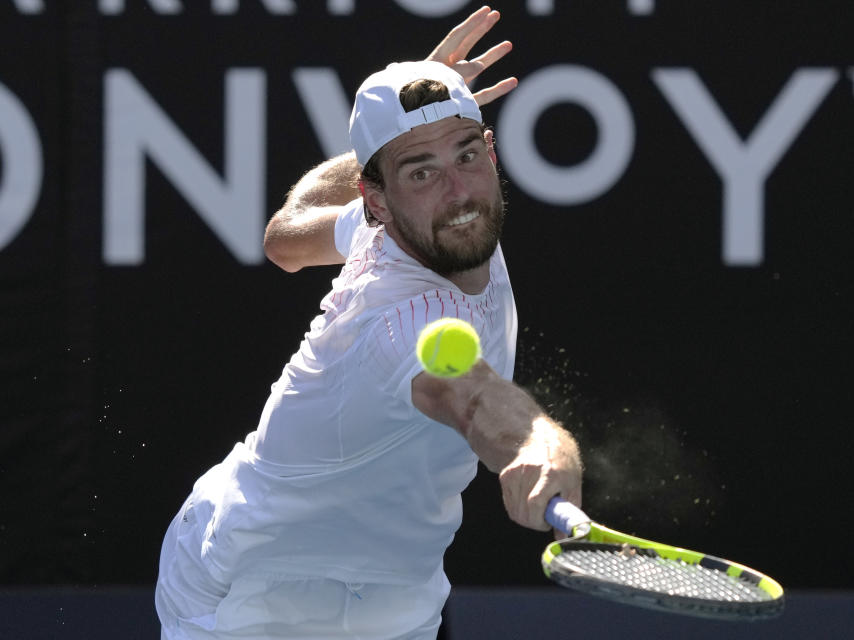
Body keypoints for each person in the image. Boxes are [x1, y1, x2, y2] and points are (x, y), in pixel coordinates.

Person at [155, 7, 582, 639]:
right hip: (254, 598)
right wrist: (542, 447)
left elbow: (283, 239)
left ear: (490, 151)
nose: (458, 191)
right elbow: (477, 401)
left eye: (465, 154)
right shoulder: (399, 321)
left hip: (395, 596)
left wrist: (399, 132)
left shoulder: (397, 222)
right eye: (421, 171)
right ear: (375, 197)